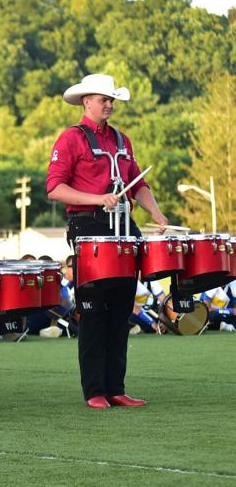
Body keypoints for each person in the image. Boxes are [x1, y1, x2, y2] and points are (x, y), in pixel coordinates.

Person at [46, 74, 168, 409]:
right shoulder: (71, 138)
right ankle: (94, 390)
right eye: (104, 99)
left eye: (111, 100)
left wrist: (156, 213)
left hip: (124, 227)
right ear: (87, 102)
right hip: (89, 225)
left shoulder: (122, 140)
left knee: (120, 310)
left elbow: (137, 183)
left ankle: (116, 387)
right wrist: (97, 198)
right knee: (94, 312)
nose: (110, 105)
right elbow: (54, 188)